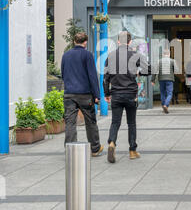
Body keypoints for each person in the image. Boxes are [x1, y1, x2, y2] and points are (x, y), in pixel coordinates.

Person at [104, 31, 151, 163]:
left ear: (118, 41)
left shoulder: (111, 56)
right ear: (130, 42)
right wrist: (138, 72)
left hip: (116, 94)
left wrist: (107, 93)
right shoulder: (136, 55)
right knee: (131, 123)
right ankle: (132, 150)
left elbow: (105, 78)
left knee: (115, 122)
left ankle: (112, 142)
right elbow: (148, 71)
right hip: (131, 94)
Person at [61, 32, 104, 157]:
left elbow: (63, 73)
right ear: (85, 42)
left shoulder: (66, 55)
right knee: (90, 122)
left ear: (74, 41)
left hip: (69, 94)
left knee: (70, 123)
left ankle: (70, 150)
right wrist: (97, 95)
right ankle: (95, 148)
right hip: (85, 95)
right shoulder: (87, 55)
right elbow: (92, 76)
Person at [151, 49, 178, 114]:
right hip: (170, 79)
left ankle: (164, 106)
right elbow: (177, 70)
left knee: (162, 93)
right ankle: (166, 105)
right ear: (169, 54)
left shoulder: (159, 61)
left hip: (161, 79)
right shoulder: (172, 61)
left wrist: (153, 80)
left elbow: (154, 71)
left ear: (163, 54)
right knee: (169, 93)